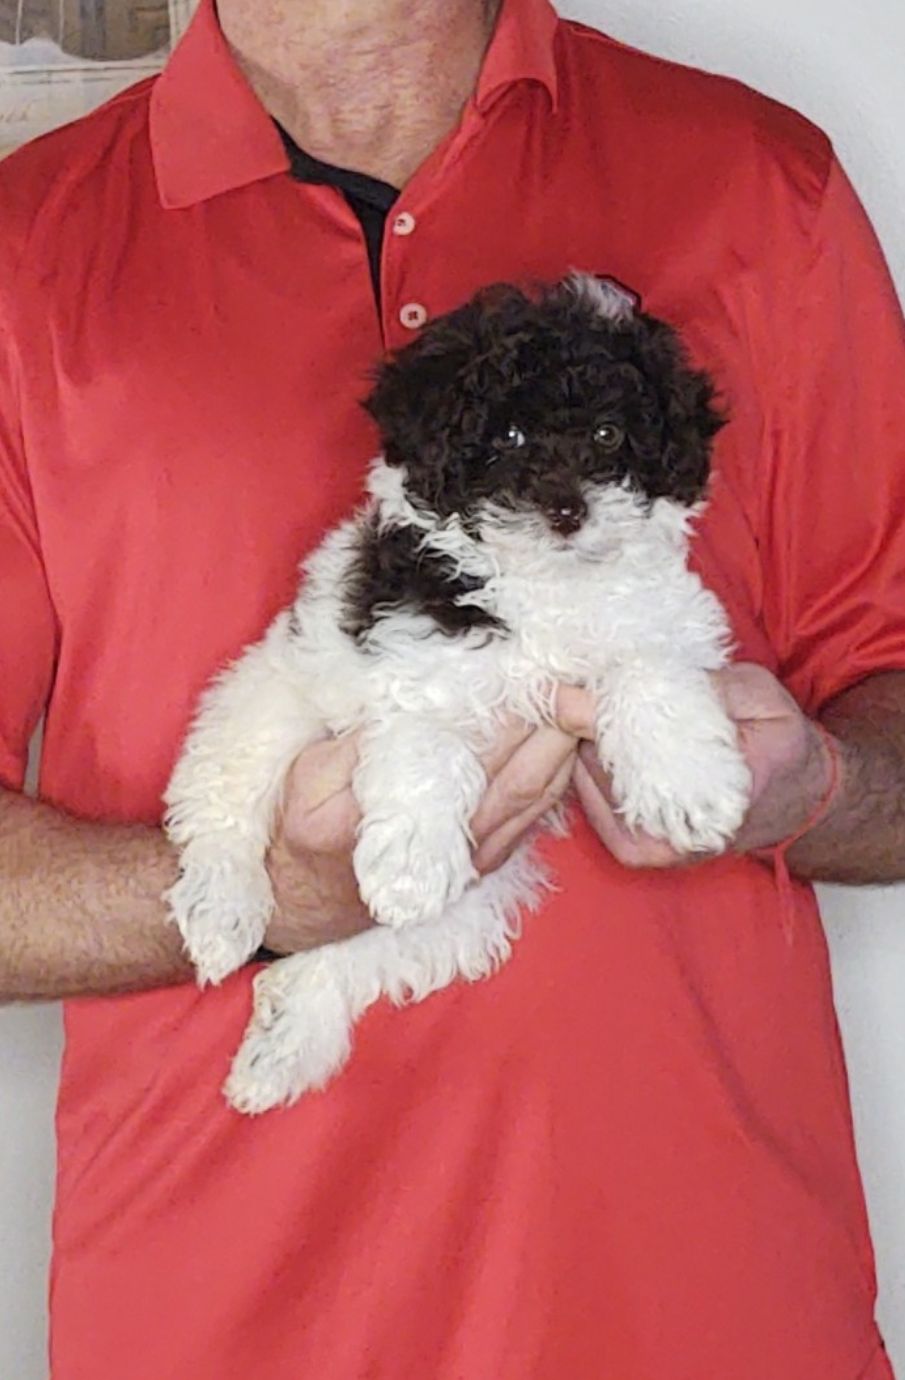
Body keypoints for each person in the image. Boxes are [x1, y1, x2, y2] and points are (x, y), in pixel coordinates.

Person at [0, 0, 903, 1375]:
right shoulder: (23, 250)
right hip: (213, 1309)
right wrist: (261, 899)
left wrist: (815, 789)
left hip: (711, 1292)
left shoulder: (755, 180)